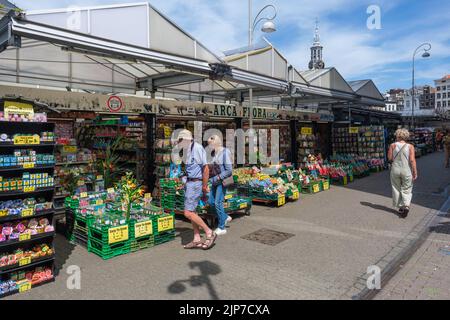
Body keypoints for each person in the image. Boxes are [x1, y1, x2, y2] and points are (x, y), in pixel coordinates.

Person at [177, 130, 217, 250]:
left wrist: (204, 186)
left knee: (188, 213)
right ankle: (196, 238)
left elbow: (205, 169)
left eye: (180, 140)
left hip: (196, 183)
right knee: (193, 212)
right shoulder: (187, 150)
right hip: (190, 183)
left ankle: (209, 232)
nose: (179, 143)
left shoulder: (197, 148)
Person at [387, 129, 418, 218]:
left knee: (396, 187)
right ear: (406, 136)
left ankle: (400, 206)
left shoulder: (393, 145)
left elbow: (389, 158)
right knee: (407, 188)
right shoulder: (410, 146)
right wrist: (415, 171)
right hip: (406, 169)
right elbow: (412, 160)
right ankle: (406, 205)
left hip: (395, 169)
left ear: (397, 136)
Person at [207, 135, 233, 236]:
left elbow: (229, 170)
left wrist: (218, 177)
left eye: (210, 144)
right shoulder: (213, 153)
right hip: (214, 181)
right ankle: (225, 217)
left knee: (218, 202)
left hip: (221, 182)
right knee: (211, 202)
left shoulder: (225, 152)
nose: (209, 146)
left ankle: (222, 227)